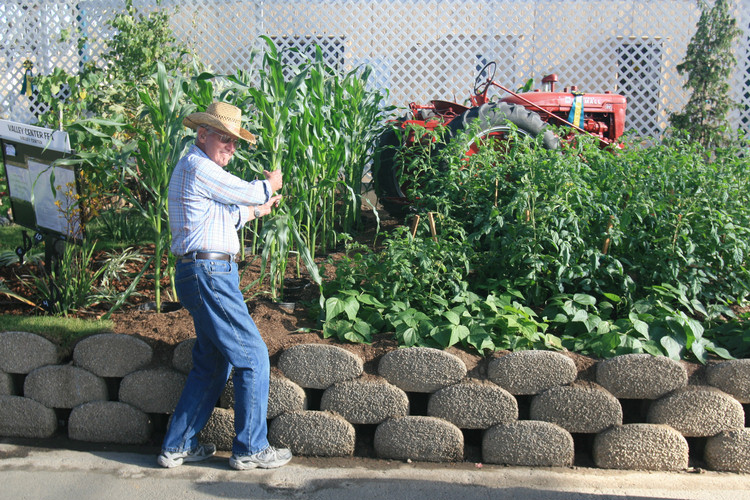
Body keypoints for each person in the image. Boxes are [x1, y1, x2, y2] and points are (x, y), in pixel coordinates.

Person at [157, 101, 291, 470]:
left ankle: (178, 445)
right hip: (210, 275)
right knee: (253, 356)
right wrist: (268, 186)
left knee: (212, 363)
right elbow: (248, 192)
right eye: (224, 139)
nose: (231, 147)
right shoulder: (198, 165)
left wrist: (258, 210)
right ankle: (250, 448)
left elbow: (225, 217)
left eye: (234, 142)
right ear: (202, 135)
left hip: (202, 274)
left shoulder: (198, 172)